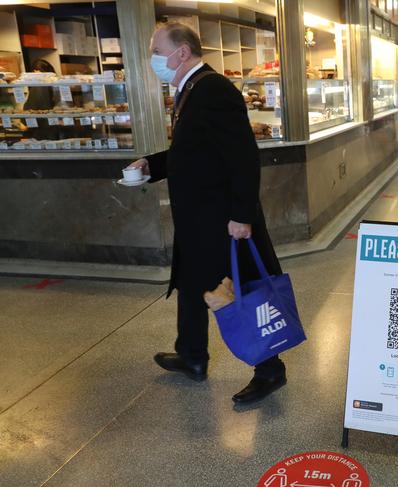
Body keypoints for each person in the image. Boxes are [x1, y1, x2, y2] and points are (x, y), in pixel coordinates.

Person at [125, 23, 287, 403]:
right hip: (200, 218)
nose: (153, 59)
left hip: (224, 220)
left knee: (246, 290)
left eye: (157, 50)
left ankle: (270, 369)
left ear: (182, 52)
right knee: (191, 282)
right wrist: (153, 165)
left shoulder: (213, 89)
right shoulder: (190, 90)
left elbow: (243, 157)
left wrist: (243, 215)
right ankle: (192, 355)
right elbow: (196, 153)